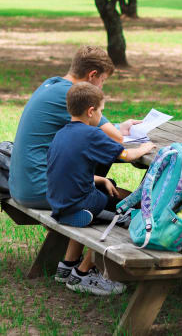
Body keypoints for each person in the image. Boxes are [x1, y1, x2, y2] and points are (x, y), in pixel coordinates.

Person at [8, 45, 139, 290]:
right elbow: (115, 141)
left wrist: (119, 126)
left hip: (23, 182)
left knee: (107, 191)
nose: (101, 88)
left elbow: (101, 132)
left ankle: (68, 264)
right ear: (92, 76)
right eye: (102, 82)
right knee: (123, 208)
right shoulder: (72, 94)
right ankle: (86, 272)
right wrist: (121, 132)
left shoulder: (52, 84)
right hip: (39, 188)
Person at [47, 82, 155, 295]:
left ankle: (66, 267)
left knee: (110, 187)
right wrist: (145, 148)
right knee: (127, 215)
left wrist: (99, 179)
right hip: (82, 202)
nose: (102, 115)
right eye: (102, 111)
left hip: (58, 200)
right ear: (91, 111)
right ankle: (83, 275)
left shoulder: (61, 133)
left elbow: (68, 169)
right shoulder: (91, 134)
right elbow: (126, 154)